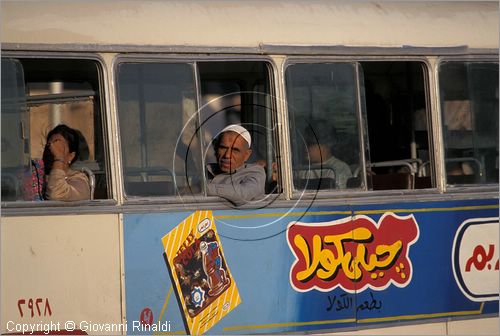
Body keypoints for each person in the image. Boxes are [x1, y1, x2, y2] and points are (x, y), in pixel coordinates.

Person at [206, 124, 265, 205]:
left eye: (235, 150)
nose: (227, 155)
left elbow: (244, 194)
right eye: (223, 148)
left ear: (247, 155)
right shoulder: (205, 171)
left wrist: (205, 189)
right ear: (216, 148)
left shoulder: (255, 172)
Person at [42, 124, 91, 201]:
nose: (51, 151)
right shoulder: (38, 176)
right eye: (48, 146)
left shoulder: (78, 181)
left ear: (71, 156)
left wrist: (58, 158)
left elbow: (56, 194)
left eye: (58, 148)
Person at [303, 122, 352, 189]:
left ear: (326, 145)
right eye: (304, 143)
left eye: (310, 144)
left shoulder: (340, 168)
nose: (305, 147)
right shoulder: (303, 170)